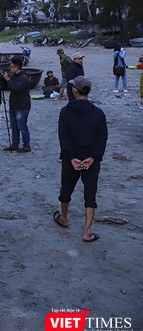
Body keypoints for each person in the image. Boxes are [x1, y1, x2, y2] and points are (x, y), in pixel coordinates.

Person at [54, 76, 107, 243]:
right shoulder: (98, 113)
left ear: (74, 91)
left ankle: (64, 218)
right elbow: (102, 138)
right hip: (91, 160)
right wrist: (92, 157)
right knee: (90, 194)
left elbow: (64, 138)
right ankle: (87, 231)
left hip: (72, 159)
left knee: (66, 189)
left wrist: (71, 157)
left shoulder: (66, 112)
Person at [3, 57, 32, 153]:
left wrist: (7, 79)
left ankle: (26, 146)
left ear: (17, 67)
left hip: (22, 105)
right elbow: (10, 87)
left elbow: (15, 88)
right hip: (14, 105)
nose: (10, 68)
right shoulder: (15, 76)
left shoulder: (23, 78)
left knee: (22, 126)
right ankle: (15, 144)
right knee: (14, 126)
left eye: (12, 67)